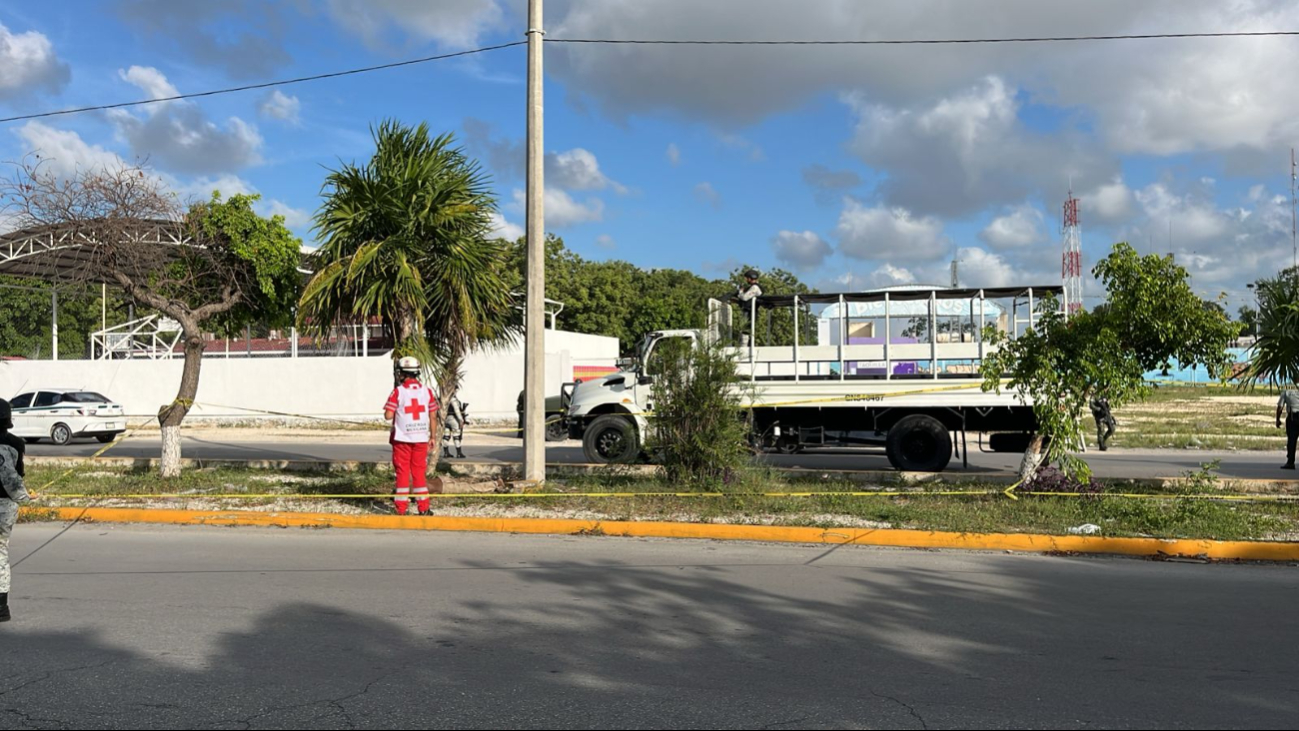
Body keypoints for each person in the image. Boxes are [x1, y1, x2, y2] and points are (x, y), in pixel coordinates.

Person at [383, 357, 438, 515]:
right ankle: (424, 508)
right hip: (421, 439)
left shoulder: (398, 391)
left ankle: (401, 509)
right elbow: (433, 416)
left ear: (402, 374)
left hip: (402, 440)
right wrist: (432, 437)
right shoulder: (427, 391)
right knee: (419, 473)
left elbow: (388, 415)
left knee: (402, 472)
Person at [0, 397, 31, 623]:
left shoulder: (6, 446)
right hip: (7, 506)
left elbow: (9, 477)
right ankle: (2, 607)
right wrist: (24, 497)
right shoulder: (16, 443)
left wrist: (22, 495)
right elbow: (17, 477)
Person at [1276, 386, 1299, 469]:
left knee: (1292, 441)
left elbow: (1280, 407)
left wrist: (1277, 419)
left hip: (1293, 418)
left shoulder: (1287, 391)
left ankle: (1290, 462)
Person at [441, 394, 469, 460]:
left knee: (446, 436)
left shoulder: (443, 397)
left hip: (445, 419)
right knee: (456, 436)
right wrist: (461, 420)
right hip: (453, 419)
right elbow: (457, 410)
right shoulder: (452, 398)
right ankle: (459, 453)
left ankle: (446, 453)